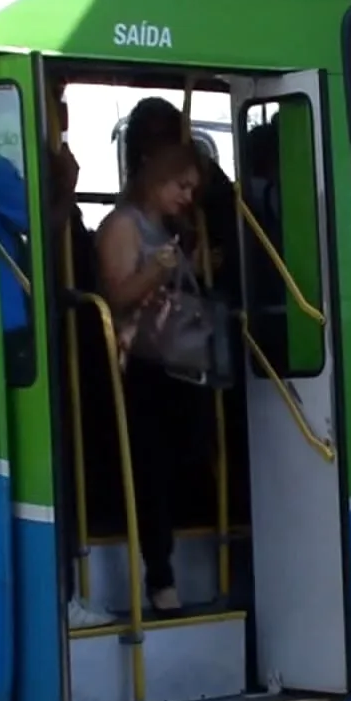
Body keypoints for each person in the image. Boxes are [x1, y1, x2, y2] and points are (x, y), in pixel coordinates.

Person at [95, 143, 206, 619]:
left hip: (176, 361)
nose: (186, 196)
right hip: (140, 363)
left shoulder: (170, 229)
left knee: (183, 460)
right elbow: (115, 296)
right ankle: (160, 578)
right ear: (156, 179)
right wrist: (155, 270)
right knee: (151, 471)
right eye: (181, 186)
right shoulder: (123, 225)